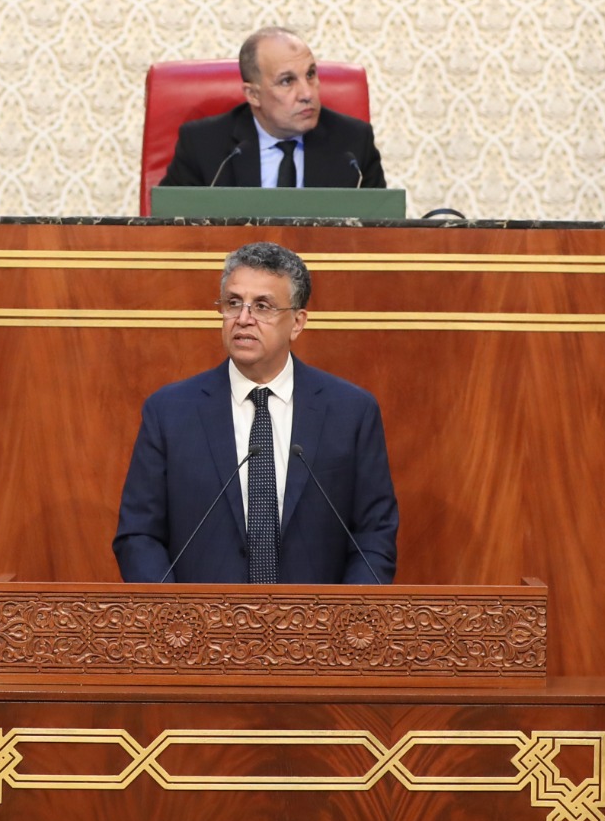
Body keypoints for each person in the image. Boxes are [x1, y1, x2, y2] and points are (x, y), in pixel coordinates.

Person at [113, 241, 399, 583]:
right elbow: (139, 535)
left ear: (297, 322)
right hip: (199, 616)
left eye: (262, 306)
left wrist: (348, 613)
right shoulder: (169, 412)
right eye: (233, 303)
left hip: (315, 616)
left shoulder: (350, 412)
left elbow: (374, 535)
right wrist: (174, 611)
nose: (243, 319)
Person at [159, 26, 388, 190]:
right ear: (253, 95)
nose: (307, 94)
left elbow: (380, 235)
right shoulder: (203, 145)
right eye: (287, 81)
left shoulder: (353, 144)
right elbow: (167, 229)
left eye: (310, 74)